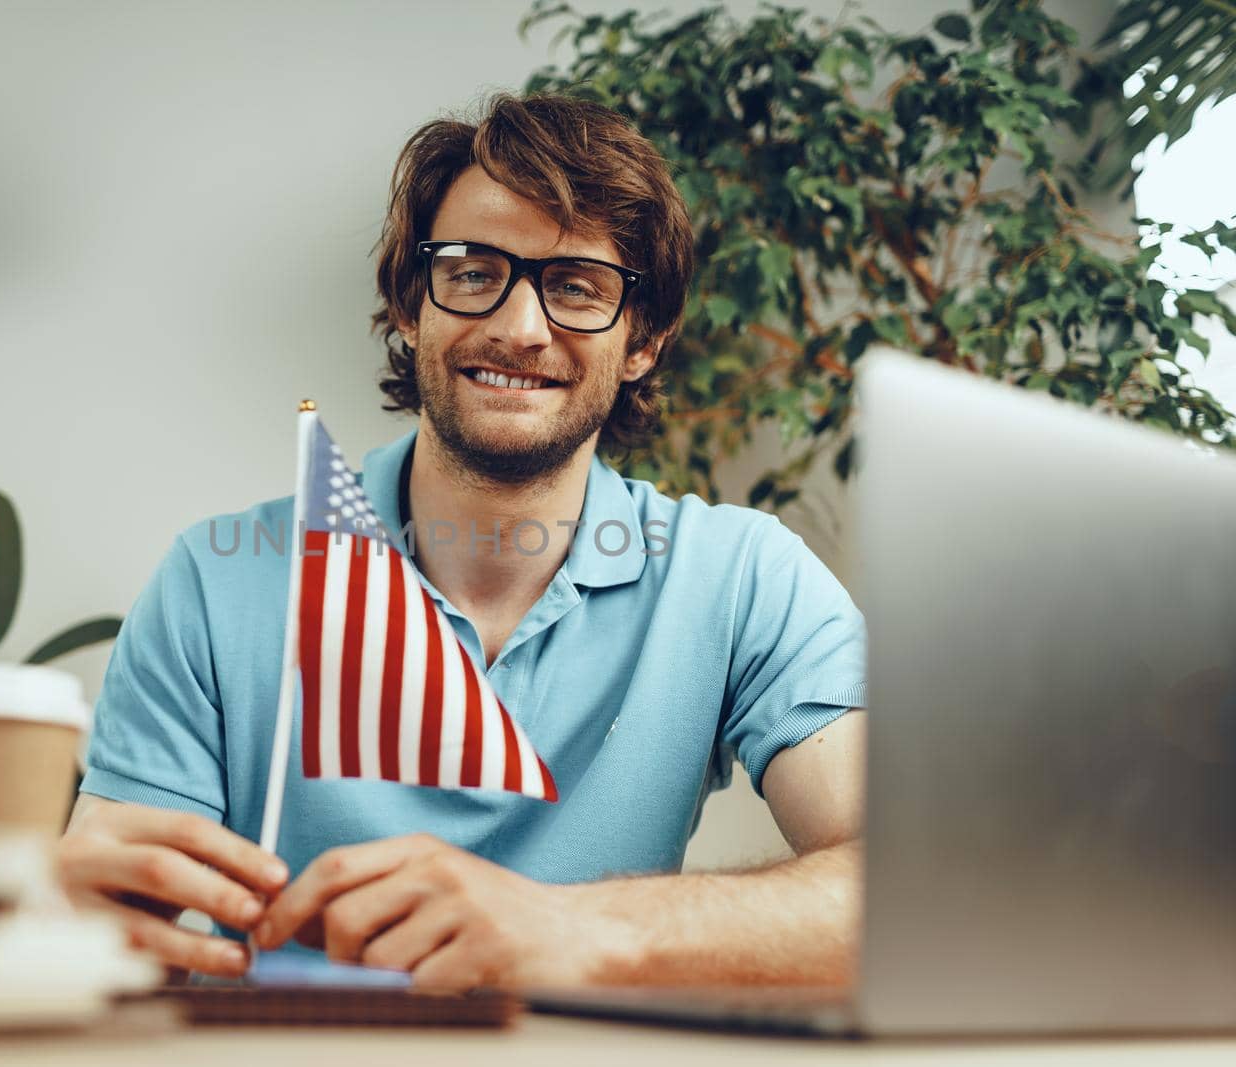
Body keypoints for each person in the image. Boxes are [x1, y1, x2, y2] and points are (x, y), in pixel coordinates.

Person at [58, 92, 867, 992]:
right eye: (474, 271)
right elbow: (107, 934)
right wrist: (55, 918)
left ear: (644, 340)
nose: (519, 328)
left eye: (576, 287)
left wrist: (569, 927)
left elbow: (913, 886)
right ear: (411, 303)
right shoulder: (214, 583)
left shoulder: (745, 579)